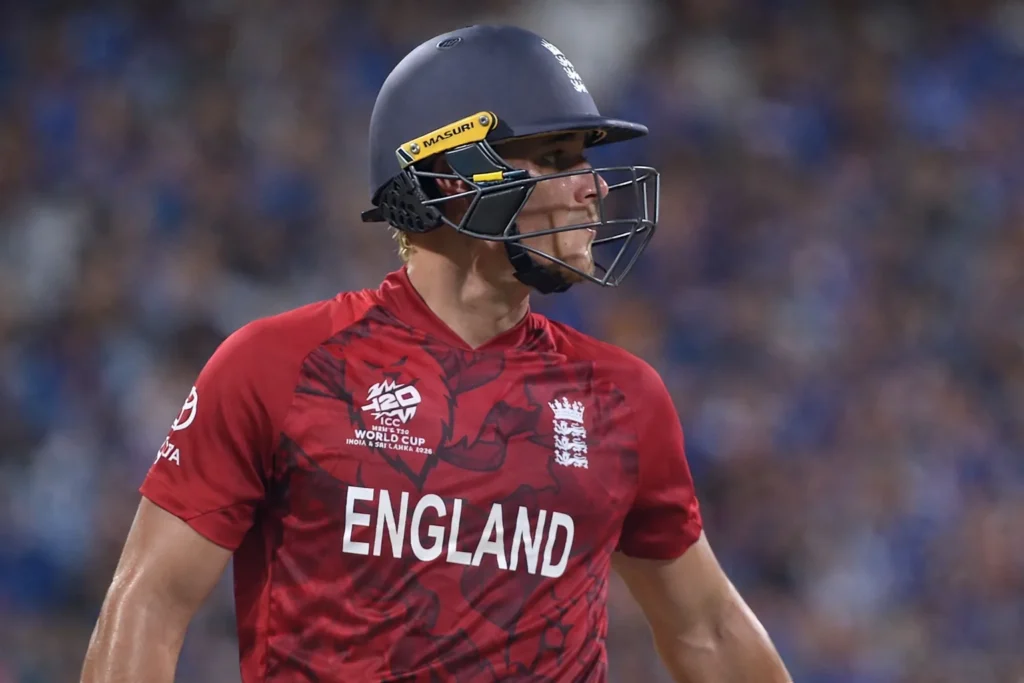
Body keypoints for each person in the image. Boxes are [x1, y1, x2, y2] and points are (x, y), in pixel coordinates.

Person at [81, 24, 793, 683]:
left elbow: (710, 628)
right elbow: (148, 602)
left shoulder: (624, 398)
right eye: (555, 158)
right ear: (455, 177)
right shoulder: (277, 367)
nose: (595, 185)